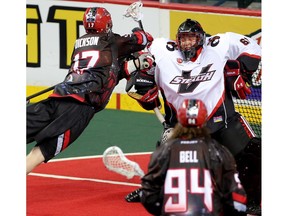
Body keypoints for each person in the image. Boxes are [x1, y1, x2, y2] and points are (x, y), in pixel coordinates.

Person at [124, 19, 261, 215]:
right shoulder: (163, 50)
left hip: (221, 120)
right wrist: (144, 86)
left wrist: (243, 72)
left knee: (254, 152)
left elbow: (253, 47)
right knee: (167, 161)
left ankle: (253, 200)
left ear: (201, 38)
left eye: (191, 38)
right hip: (182, 126)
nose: (187, 43)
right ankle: (154, 190)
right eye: (183, 39)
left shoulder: (219, 45)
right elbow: (136, 64)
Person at [26, 7, 153, 174]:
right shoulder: (111, 41)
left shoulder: (79, 43)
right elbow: (144, 39)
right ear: (107, 24)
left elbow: (107, 72)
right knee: (40, 152)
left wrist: (134, 64)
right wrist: (138, 31)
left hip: (59, 97)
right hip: (79, 108)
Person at [141, 98, 248, 215]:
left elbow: (148, 196)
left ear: (179, 119)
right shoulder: (217, 151)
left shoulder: (163, 151)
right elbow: (238, 199)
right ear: (205, 120)